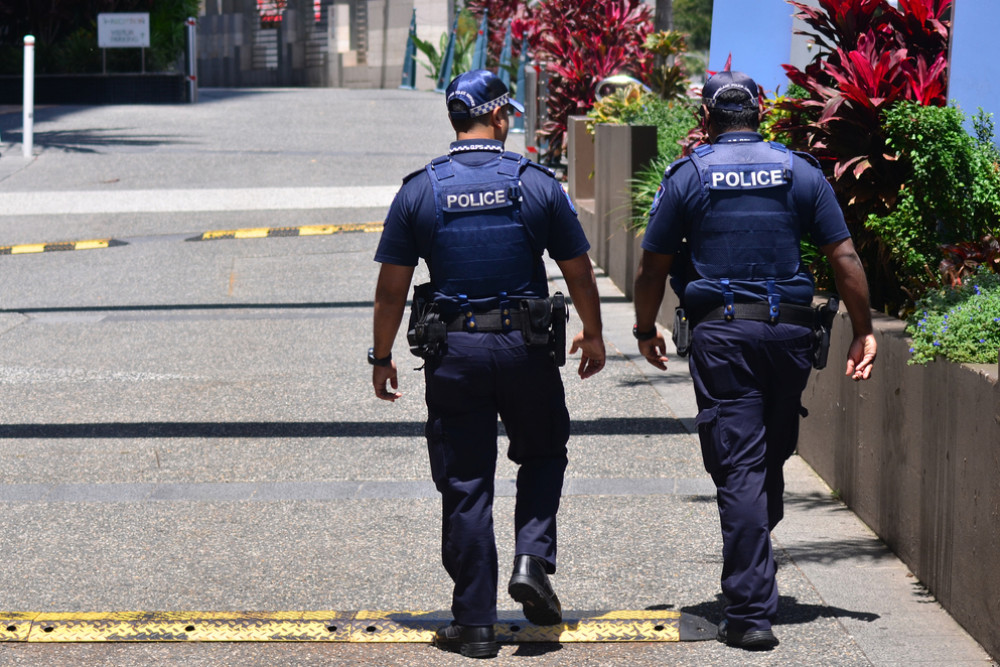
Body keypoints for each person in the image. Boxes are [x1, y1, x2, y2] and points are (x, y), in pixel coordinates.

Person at [632, 71, 877, 651]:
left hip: (724, 337)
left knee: (740, 465)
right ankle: (755, 572)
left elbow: (652, 266)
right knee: (768, 455)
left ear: (707, 118)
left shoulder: (689, 176)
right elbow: (842, 255)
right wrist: (864, 330)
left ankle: (746, 613)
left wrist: (646, 328)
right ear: (760, 112)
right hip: (789, 338)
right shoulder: (800, 172)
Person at [370, 69, 605, 659]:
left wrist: (381, 356)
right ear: (498, 117)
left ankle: (474, 625)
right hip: (526, 350)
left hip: (455, 354)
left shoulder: (420, 190)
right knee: (544, 452)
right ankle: (532, 557)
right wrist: (594, 333)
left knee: (467, 482)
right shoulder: (535, 185)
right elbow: (577, 267)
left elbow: (391, 290)